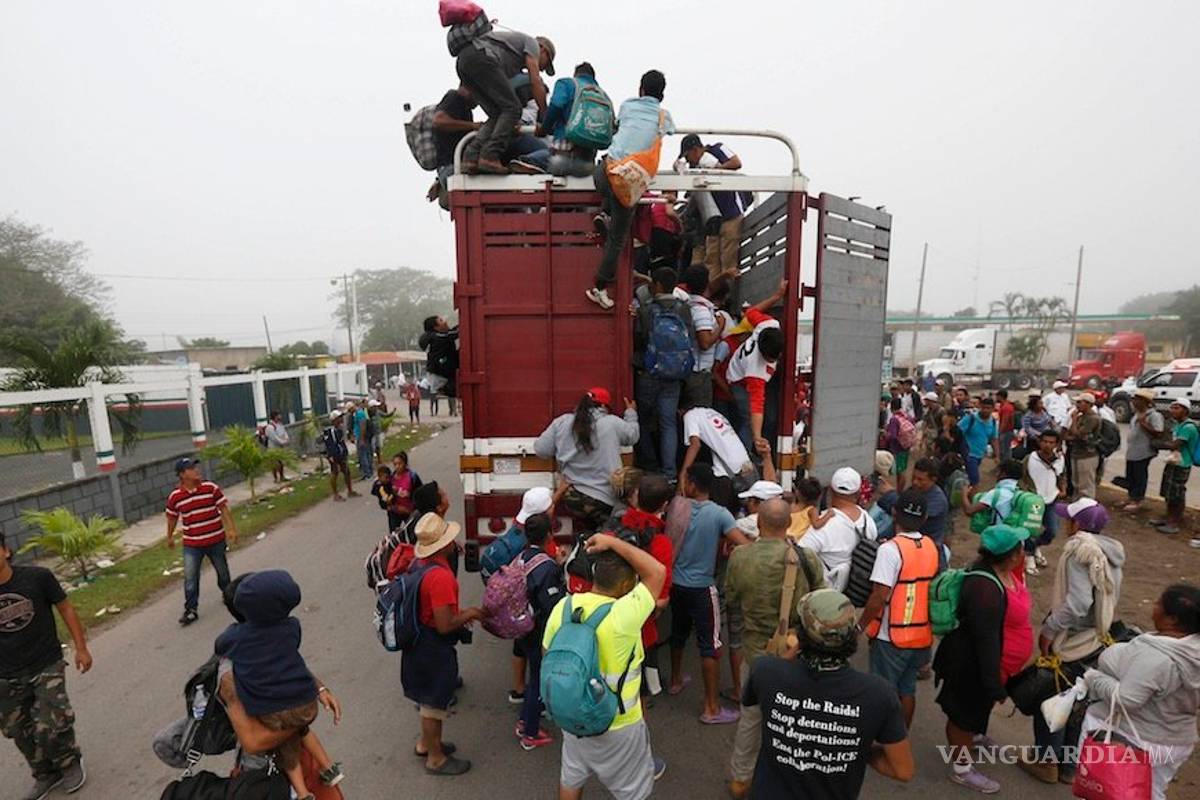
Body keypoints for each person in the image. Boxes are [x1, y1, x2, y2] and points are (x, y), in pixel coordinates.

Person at [742, 589, 914, 798]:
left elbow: (762, 687)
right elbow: (902, 770)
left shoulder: (766, 671)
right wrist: (850, 748)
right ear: (851, 636)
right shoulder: (878, 694)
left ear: (801, 635)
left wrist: (796, 649)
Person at [543, 531, 668, 800]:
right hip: (618, 722)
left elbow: (547, 657)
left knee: (571, 778)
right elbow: (657, 571)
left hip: (573, 713)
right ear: (626, 584)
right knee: (632, 792)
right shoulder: (624, 615)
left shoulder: (564, 607)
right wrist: (613, 542)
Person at [724, 499, 827, 798]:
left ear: (759, 523)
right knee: (797, 719)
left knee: (750, 718)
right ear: (789, 524)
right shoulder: (806, 558)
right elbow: (821, 602)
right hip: (797, 653)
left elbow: (731, 598)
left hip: (756, 652)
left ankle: (741, 779)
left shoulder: (740, 557)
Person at [1022, 497, 1125, 785]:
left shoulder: (1080, 551)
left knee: (1052, 698)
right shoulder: (1111, 553)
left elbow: (1078, 602)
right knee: (1078, 700)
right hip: (1096, 638)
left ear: (1077, 524)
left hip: (1072, 639)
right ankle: (1068, 766)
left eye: (1069, 518)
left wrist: (1050, 629)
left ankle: (1046, 762)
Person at [214, 570, 342, 797]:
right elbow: (254, 742)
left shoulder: (237, 652)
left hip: (278, 759)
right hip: (291, 731)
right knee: (296, 738)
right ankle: (324, 771)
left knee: (291, 749)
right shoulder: (289, 627)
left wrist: (318, 690)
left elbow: (253, 743)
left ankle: (305, 791)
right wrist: (304, 718)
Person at [932, 525, 1030, 794]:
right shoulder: (985, 589)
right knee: (962, 715)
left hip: (976, 661)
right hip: (968, 664)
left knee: (972, 711)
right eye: (1020, 548)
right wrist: (993, 684)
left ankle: (974, 737)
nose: (1024, 552)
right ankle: (962, 769)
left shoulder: (993, 572)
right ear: (1011, 556)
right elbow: (985, 642)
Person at [1080, 583, 1200, 800]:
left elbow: (1126, 699)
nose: (1154, 606)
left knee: (1105, 788)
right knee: (1152, 791)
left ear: (1172, 619)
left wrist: (1093, 678)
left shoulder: (1157, 658)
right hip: (1177, 740)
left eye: (1159, 604)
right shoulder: (1193, 651)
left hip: (1137, 739)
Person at [0, 528, 91, 800]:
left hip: (45, 664)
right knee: (19, 729)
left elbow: (66, 608)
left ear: (5, 551)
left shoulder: (37, 578)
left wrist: (81, 648)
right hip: (6, 674)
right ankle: (45, 773)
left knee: (50, 723)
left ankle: (69, 762)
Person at [402, 513, 485, 776]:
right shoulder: (440, 578)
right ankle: (436, 759)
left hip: (417, 642)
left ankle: (427, 744)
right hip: (432, 646)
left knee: (428, 698)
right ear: (443, 544)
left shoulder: (418, 564)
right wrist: (471, 613)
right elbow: (445, 624)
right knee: (434, 704)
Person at [668, 463, 751, 723]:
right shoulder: (720, 514)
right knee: (710, 646)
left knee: (678, 633)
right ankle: (711, 708)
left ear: (692, 484)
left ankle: (675, 680)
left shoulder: (677, 506)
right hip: (703, 587)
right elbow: (743, 543)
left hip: (676, 584)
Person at [587, 70, 675, 310]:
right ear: (662, 94)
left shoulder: (627, 106)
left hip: (604, 172)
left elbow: (619, 127)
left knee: (610, 189)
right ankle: (599, 287)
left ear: (641, 89)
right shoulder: (664, 116)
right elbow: (669, 131)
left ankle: (605, 213)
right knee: (618, 239)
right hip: (627, 181)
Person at [859, 489, 939, 729]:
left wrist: (859, 626)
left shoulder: (890, 550)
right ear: (925, 518)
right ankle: (900, 736)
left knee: (882, 691)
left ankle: (884, 739)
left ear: (894, 513)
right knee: (907, 689)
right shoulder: (931, 546)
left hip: (891, 635)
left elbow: (879, 596)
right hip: (921, 634)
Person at [534, 388, 639, 533]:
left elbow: (541, 450)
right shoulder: (611, 423)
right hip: (604, 499)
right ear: (603, 406)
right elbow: (632, 436)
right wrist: (631, 413)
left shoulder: (561, 422)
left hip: (573, 498)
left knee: (584, 534)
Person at [454, 29, 554, 174]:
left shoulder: (511, 63)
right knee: (513, 109)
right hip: (481, 56)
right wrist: (546, 118)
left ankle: (471, 157)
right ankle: (490, 156)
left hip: (463, 62)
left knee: (498, 113)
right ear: (543, 50)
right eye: (546, 63)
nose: (543, 69)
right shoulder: (532, 44)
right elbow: (535, 81)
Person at [630, 267, 694, 475]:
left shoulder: (646, 310)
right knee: (668, 423)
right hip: (674, 376)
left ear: (656, 285)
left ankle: (649, 464)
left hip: (649, 372)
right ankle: (669, 472)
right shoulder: (684, 309)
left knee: (643, 420)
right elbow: (690, 339)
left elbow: (638, 340)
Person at [512, 514, 566, 751]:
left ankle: (525, 720)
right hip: (537, 631)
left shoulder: (521, 557)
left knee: (533, 678)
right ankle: (530, 733)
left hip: (521, 626)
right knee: (537, 681)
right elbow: (551, 604)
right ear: (549, 535)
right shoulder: (546, 566)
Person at [166, 457, 240, 626]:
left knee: (223, 573)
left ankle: (230, 597)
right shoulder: (176, 497)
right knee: (190, 577)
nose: (196, 470)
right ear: (182, 474)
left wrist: (232, 529)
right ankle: (191, 609)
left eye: (196, 467)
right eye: (192, 468)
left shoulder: (210, 488)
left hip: (215, 540)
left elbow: (223, 509)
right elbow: (172, 518)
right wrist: (169, 536)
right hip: (192, 544)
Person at [725, 281, 789, 454]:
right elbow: (756, 406)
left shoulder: (767, 324)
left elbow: (751, 312)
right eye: (770, 359)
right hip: (738, 380)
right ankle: (741, 458)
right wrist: (758, 437)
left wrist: (777, 296)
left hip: (741, 366)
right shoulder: (756, 371)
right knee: (747, 420)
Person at [676, 134, 750, 281]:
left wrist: (716, 170)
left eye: (687, 156)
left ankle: (727, 292)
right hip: (712, 221)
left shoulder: (717, 149)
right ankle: (713, 292)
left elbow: (736, 163)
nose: (688, 160)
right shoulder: (695, 167)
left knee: (728, 258)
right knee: (711, 260)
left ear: (695, 150)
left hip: (731, 214)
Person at [804, 467, 879, 593]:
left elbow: (800, 556)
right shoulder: (868, 521)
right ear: (858, 493)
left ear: (830, 490)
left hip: (828, 595)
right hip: (856, 592)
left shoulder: (824, 524)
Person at [533, 61, 604, 177]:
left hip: (560, 159)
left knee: (530, 158)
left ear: (576, 74)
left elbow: (556, 105)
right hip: (587, 166)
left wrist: (544, 129)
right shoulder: (603, 96)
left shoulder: (567, 84)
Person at [678, 401, 754, 504]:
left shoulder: (690, 415)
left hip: (727, 471)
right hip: (744, 461)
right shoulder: (712, 413)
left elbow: (695, 445)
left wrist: (683, 474)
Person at [1021, 430, 1066, 576]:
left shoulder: (1060, 459)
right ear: (1039, 442)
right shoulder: (1030, 458)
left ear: (1056, 444)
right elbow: (1021, 477)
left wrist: (1062, 490)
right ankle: (1029, 557)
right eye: (1045, 441)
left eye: (1051, 442)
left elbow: (1062, 475)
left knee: (1052, 530)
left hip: (1052, 499)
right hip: (1034, 500)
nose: (1047, 445)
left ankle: (1035, 546)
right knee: (1031, 529)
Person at [426, 84, 480, 205]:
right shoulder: (454, 97)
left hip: (450, 168)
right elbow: (438, 121)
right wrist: (474, 126)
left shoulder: (466, 109)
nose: (480, 100)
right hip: (450, 169)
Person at [1154, 399, 1198, 541]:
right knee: (1169, 492)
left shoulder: (1188, 427)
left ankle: (1174, 522)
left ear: (1185, 410)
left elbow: (1175, 444)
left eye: (1176, 408)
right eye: (1172, 407)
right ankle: (1169, 518)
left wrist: (1159, 444)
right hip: (1174, 461)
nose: (1172, 410)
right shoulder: (1178, 424)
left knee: (1177, 493)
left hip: (1182, 464)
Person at [1117, 388, 1164, 511]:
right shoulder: (1136, 414)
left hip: (1144, 451)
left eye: (1136, 399)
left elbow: (1158, 432)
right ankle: (1131, 497)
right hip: (1132, 451)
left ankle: (1137, 500)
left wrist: (1144, 424)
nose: (1133, 402)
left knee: (1139, 476)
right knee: (1131, 475)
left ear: (1144, 401)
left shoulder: (1153, 415)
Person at [681, 266, 721, 409]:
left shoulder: (686, 305)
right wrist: (720, 327)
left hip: (688, 370)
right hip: (699, 374)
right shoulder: (701, 310)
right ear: (706, 284)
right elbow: (705, 343)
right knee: (700, 416)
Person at [909, 458, 950, 565]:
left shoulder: (937, 500)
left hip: (930, 554)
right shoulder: (913, 491)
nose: (915, 482)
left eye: (920, 479)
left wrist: (890, 496)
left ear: (933, 479)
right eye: (913, 477)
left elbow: (913, 517)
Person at [958, 396, 999, 492]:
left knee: (969, 479)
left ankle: (965, 496)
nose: (985, 410)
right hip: (968, 454)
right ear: (980, 406)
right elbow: (957, 432)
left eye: (988, 408)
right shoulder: (971, 418)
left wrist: (997, 456)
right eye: (983, 407)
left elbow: (994, 439)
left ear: (993, 409)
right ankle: (973, 499)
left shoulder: (992, 422)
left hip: (980, 455)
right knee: (975, 480)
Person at [1064, 392, 1101, 498]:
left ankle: (1087, 504)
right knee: (1076, 482)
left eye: (1080, 402)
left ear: (1089, 404)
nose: (1077, 405)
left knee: (1086, 484)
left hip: (1087, 455)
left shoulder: (1092, 418)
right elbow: (1071, 432)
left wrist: (1074, 419)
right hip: (1077, 453)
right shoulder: (1082, 417)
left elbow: (1077, 433)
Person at [419, 316, 460, 399]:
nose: (445, 321)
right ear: (436, 327)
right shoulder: (438, 337)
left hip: (437, 374)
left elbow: (450, 332)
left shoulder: (432, 337)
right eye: (441, 320)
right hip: (441, 377)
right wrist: (464, 323)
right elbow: (455, 333)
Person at [321, 411, 357, 501]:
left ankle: (350, 491)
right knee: (335, 472)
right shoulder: (330, 431)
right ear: (335, 419)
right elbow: (330, 444)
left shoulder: (339, 429)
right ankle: (335, 494)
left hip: (341, 454)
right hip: (334, 455)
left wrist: (345, 452)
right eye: (339, 417)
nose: (341, 419)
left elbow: (341, 442)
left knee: (346, 471)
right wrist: (331, 456)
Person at [882, 397, 912, 491]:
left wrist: (885, 434)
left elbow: (893, 436)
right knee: (902, 470)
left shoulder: (894, 419)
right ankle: (900, 490)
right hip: (906, 446)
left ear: (891, 407)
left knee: (900, 472)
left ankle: (899, 492)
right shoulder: (906, 416)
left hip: (897, 448)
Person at [265, 410, 290, 483]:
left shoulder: (280, 424)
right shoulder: (270, 427)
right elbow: (274, 438)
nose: (280, 416)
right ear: (275, 416)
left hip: (280, 447)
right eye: (279, 415)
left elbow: (284, 432)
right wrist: (283, 442)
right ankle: (276, 478)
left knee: (281, 463)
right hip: (273, 448)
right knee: (274, 463)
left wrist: (286, 439)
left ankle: (282, 477)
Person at [919, 392, 944, 457]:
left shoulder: (941, 411)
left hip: (938, 437)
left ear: (930, 401)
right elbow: (925, 424)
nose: (925, 402)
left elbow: (944, 425)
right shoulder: (928, 411)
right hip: (930, 437)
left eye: (926, 400)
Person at [994, 389, 1016, 463]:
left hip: (1006, 432)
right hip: (1007, 431)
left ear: (1000, 396)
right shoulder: (1005, 406)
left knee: (1005, 451)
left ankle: (1006, 465)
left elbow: (1005, 421)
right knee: (1005, 450)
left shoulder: (1006, 407)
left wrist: (1000, 432)